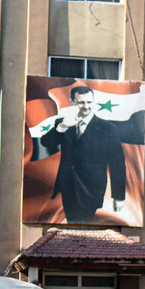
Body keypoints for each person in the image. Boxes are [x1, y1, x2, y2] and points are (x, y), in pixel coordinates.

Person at [43, 85, 128, 224]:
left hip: (91, 189)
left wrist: (119, 196)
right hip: (68, 186)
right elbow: (46, 142)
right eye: (81, 102)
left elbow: (117, 164)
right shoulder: (64, 122)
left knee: (82, 227)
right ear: (72, 102)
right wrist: (63, 126)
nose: (86, 106)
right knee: (73, 226)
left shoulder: (107, 128)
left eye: (89, 102)